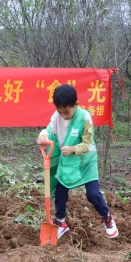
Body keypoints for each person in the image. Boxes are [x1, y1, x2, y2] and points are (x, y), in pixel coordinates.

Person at [36, 84, 118, 239]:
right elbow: (48, 130)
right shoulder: (56, 117)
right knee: (60, 193)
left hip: (85, 160)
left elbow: (87, 144)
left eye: (66, 112)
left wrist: (74, 149)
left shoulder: (85, 117)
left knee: (92, 194)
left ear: (76, 105)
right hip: (67, 162)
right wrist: (43, 137)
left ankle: (107, 218)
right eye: (60, 112)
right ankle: (61, 223)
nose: (64, 116)